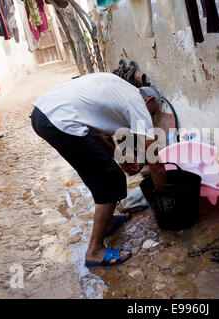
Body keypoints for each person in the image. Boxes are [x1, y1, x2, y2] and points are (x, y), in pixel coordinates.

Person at [31, 72, 168, 267]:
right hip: (59, 121)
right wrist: (164, 199)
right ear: (150, 99)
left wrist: (119, 157)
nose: (151, 116)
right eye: (153, 112)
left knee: (99, 172)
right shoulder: (138, 104)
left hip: (42, 114)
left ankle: (109, 222)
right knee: (111, 180)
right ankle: (94, 250)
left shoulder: (119, 89)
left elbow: (90, 131)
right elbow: (155, 163)